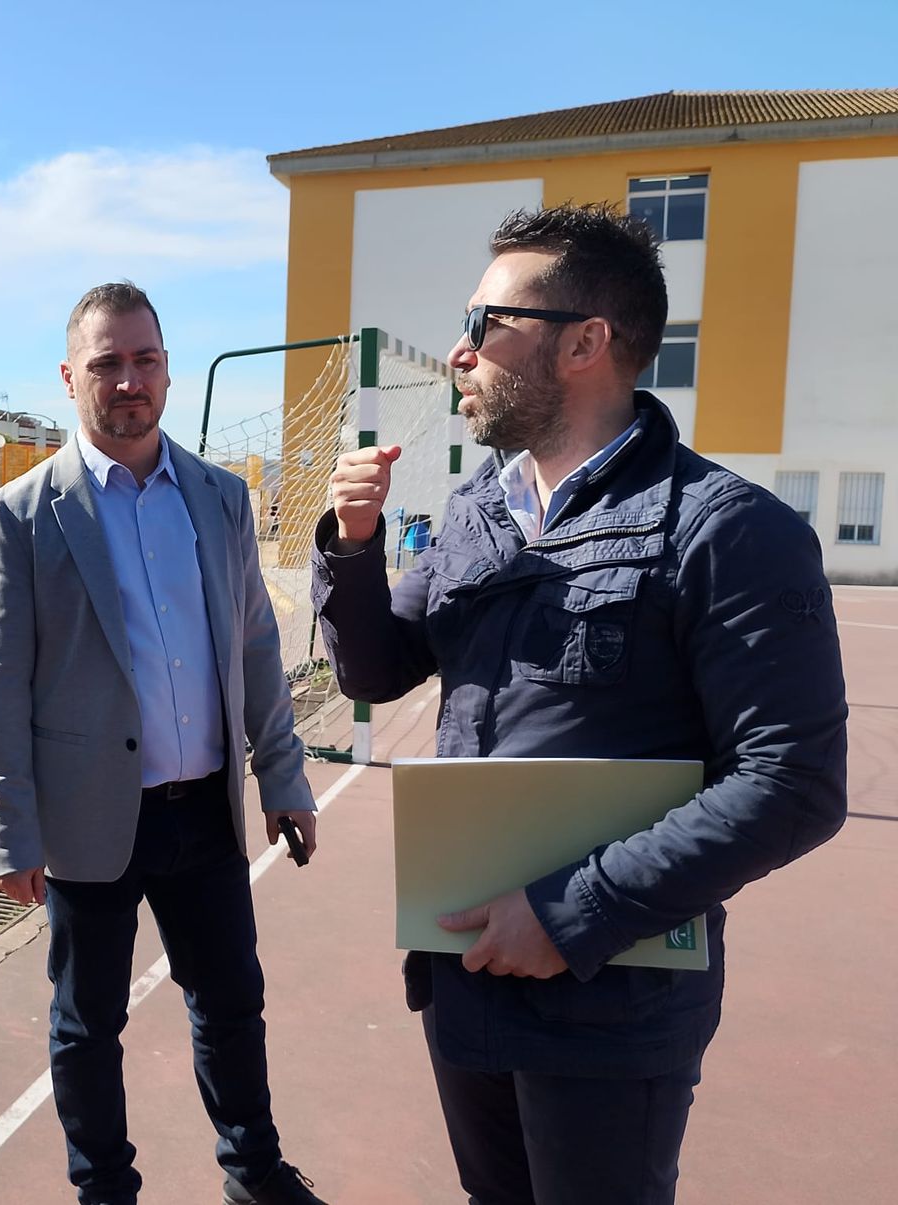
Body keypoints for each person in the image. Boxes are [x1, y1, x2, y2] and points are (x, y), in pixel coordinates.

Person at [313, 203, 848, 1205]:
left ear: (585, 342)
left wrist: (569, 912)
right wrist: (351, 545)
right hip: (466, 970)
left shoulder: (726, 531)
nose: (460, 352)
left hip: (610, 996)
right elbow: (374, 671)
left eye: (485, 324)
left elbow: (794, 785)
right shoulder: (477, 510)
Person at [0, 282, 328, 1205]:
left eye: (145, 360)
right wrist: (9, 828)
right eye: (107, 363)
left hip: (204, 809)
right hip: (88, 818)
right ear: (69, 377)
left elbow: (255, 645)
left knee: (232, 1003)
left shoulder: (219, 497)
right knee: (87, 1024)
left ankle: (254, 1172)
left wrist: (283, 776)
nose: (128, 380)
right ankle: (104, 1191)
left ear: (167, 370)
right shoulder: (23, 514)